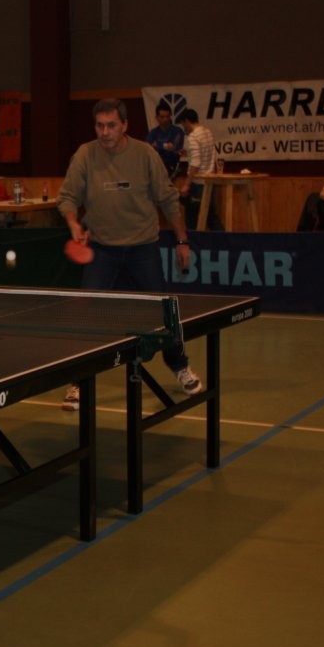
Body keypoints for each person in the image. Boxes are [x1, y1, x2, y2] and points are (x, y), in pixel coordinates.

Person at [56, 99, 202, 412]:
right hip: (102, 249)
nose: (105, 132)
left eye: (111, 125)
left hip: (142, 248)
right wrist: (73, 224)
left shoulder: (145, 154)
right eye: (99, 125)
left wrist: (182, 241)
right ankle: (79, 382)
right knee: (86, 316)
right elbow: (68, 197)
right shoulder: (85, 154)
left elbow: (168, 200)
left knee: (164, 313)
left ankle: (180, 366)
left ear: (124, 125)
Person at [175, 109, 223, 231]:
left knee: (192, 221)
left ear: (186, 121)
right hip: (210, 181)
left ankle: (194, 242)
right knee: (211, 217)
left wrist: (186, 185)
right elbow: (209, 154)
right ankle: (225, 240)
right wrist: (188, 153)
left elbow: (195, 164)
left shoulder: (193, 137)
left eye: (183, 124)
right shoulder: (207, 132)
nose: (183, 128)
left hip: (198, 184)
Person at [145, 104, 184, 178]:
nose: (165, 119)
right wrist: (166, 146)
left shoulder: (178, 131)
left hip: (172, 167)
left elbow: (174, 147)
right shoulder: (153, 133)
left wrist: (157, 145)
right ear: (157, 118)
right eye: (162, 117)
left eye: (167, 116)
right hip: (156, 167)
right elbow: (148, 148)